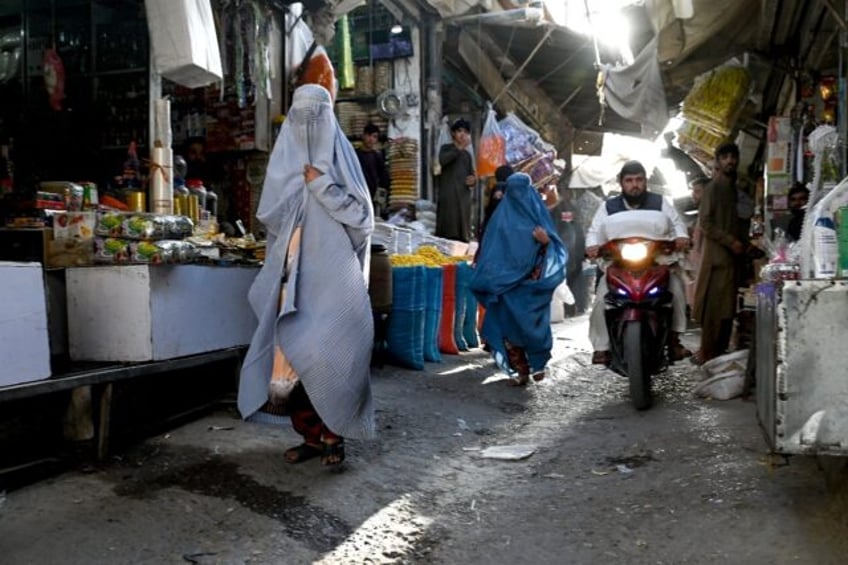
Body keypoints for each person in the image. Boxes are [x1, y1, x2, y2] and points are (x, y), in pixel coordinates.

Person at [238, 83, 375, 467]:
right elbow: (270, 219)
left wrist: (322, 186)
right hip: (291, 280)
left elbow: (363, 220)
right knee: (292, 360)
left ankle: (335, 435)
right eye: (301, 117)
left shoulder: (343, 167)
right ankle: (312, 437)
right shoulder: (283, 169)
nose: (309, 126)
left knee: (330, 356)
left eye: (317, 116)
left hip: (334, 283)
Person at [586, 160, 691, 366]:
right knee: (600, 298)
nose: (635, 185)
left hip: (655, 261)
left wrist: (681, 237)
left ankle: (674, 339)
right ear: (621, 183)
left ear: (646, 181)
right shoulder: (608, 207)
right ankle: (602, 347)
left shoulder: (660, 203)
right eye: (630, 180)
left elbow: (677, 225)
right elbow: (594, 232)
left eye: (639, 180)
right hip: (619, 262)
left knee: (676, 288)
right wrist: (591, 247)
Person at [470, 172, 568, 386]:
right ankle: (521, 370)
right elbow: (490, 250)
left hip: (532, 284)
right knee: (509, 329)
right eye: (513, 191)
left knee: (533, 326)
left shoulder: (538, 216)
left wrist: (545, 241)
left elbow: (556, 246)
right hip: (507, 285)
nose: (518, 195)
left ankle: (539, 363)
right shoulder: (500, 220)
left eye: (521, 190)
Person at [692, 142, 747, 365]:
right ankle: (707, 354)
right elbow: (705, 223)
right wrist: (730, 241)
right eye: (724, 157)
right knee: (713, 311)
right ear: (717, 162)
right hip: (716, 260)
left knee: (726, 311)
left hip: (731, 260)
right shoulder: (713, 188)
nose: (729, 161)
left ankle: (719, 355)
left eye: (732, 157)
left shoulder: (734, 189)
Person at [435, 119, 476, 242]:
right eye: (459, 131)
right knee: (448, 229)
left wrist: (473, 180)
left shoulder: (467, 155)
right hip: (449, 196)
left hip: (463, 197)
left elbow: (471, 175)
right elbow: (443, 161)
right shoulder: (446, 148)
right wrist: (458, 148)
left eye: (465, 132)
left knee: (462, 232)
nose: (462, 134)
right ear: (453, 133)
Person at [355, 122, 390, 214]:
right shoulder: (354, 155)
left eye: (374, 137)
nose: (371, 139)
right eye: (368, 135)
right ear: (363, 136)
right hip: (357, 195)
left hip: (372, 197)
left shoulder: (377, 157)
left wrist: (380, 197)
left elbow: (383, 178)